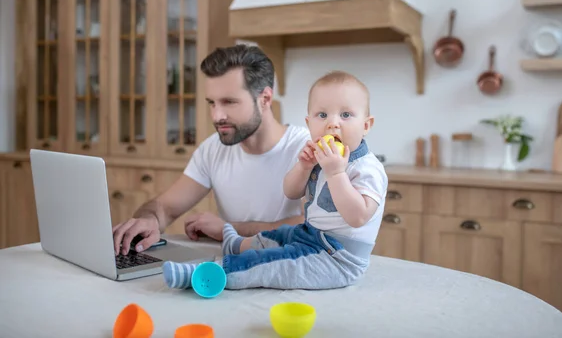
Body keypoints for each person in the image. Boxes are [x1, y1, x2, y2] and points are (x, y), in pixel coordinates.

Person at [162, 70, 388, 290]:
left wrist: (336, 174)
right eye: (322, 115)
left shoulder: (367, 168)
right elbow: (290, 192)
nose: (333, 123)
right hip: (310, 236)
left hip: (338, 257)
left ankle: (208, 273)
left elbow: (358, 217)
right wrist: (303, 166)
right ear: (309, 123)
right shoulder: (319, 158)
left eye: (346, 115)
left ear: (366, 125)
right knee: (277, 236)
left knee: (271, 263)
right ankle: (237, 244)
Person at [112, 44, 311, 255]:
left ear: (265, 99)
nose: (217, 116)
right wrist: (148, 220)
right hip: (234, 271)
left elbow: (311, 227)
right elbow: (164, 207)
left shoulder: (307, 150)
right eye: (212, 103)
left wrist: (229, 230)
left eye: (229, 102)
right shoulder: (213, 148)